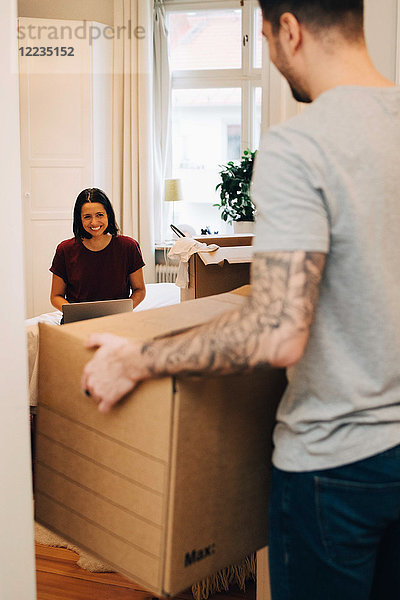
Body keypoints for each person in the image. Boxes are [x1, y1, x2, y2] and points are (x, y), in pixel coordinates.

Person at [81, 2, 400, 598]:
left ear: (289, 29)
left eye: (268, 42)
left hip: (335, 468)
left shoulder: (301, 145)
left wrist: (137, 358)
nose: (275, 60)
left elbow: (278, 330)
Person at [50, 188, 146, 312]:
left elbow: (140, 290)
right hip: (79, 322)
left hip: (118, 319)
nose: (94, 222)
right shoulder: (64, 249)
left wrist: (122, 310)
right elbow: (55, 296)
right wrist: (75, 312)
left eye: (99, 215)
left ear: (108, 215)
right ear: (80, 219)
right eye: (87, 217)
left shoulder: (128, 246)